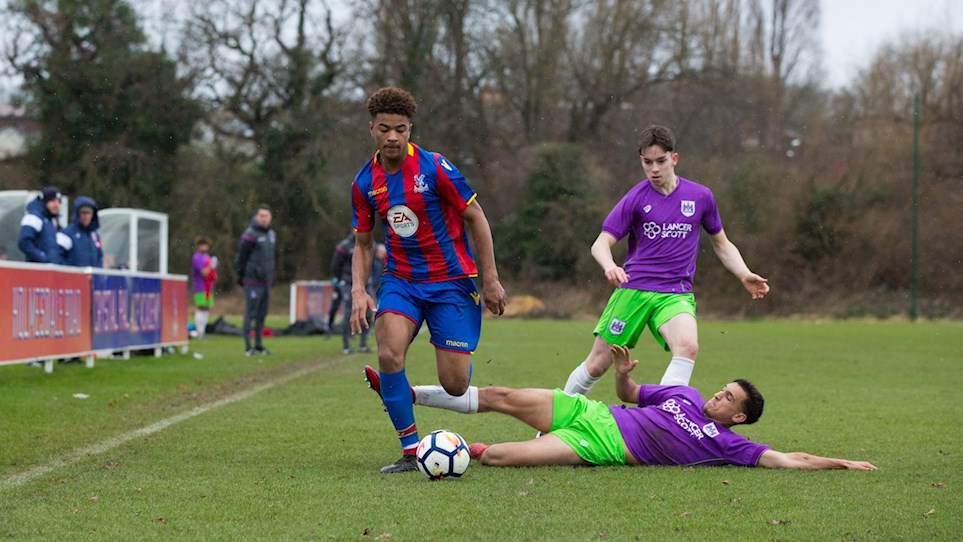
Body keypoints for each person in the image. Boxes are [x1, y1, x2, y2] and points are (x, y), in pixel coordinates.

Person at [371, 345, 876, 471]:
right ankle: (405, 393)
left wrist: (842, 462)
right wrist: (626, 374)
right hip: (590, 415)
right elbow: (630, 396)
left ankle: (458, 454)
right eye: (721, 389)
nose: (716, 396)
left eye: (728, 399)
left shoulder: (728, 445)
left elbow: (789, 461)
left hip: (600, 444)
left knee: (501, 456)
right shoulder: (682, 396)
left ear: (738, 417)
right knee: (502, 396)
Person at [351, 86, 507, 473]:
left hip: (452, 282)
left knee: (455, 383)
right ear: (372, 129)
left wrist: (490, 280)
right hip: (401, 280)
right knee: (388, 353)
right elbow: (364, 244)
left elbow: (478, 219)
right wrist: (358, 290)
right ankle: (409, 450)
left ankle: (413, 391)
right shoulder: (363, 183)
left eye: (400, 129)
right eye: (384, 128)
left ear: (409, 129)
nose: (392, 136)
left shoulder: (434, 167)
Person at [561, 125, 770, 398]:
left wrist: (744, 273)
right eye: (647, 163)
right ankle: (551, 423)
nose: (654, 169)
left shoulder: (700, 197)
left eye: (661, 161)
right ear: (641, 161)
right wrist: (610, 266)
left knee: (687, 347)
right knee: (598, 364)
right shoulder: (636, 198)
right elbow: (601, 243)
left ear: (674, 158)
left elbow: (721, 243)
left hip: (675, 292)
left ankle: (664, 419)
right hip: (634, 290)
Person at [235, 204, 276, 356]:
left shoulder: (271, 234)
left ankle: (259, 345)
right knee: (250, 313)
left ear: (270, 217)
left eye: (267, 216)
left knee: (261, 314)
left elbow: (270, 258)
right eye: (261, 216)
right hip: (252, 280)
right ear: (256, 217)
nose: (264, 219)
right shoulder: (249, 234)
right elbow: (241, 257)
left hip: (266, 281)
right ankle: (248, 347)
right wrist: (241, 276)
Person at [329, 233, 371, 354]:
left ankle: (363, 344)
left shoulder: (368, 243)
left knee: (367, 312)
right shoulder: (344, 246)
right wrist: (338, 278)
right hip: (348, 282)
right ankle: (346, 345)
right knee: (349, 312)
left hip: (364, 283)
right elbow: (336, 264)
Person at [18, 187, 65, 264]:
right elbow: (24, 242)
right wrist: (42, 258)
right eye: (53, 201)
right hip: (37, 269)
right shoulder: (34, 217)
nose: (56, 205)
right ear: (45, 201)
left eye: (59, 201)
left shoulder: (52, 221)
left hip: (51, 269)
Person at [58, 196, 103, 268]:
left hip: (91, 278)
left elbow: (99, 258)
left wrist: (98, 276)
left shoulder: (95, 236)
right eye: (83, 213)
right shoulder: (66, 234)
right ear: (77, 214)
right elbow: (58, 258)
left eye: (88, 213)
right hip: (73, 278)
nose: (86, 216)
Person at [191, 236, 218, 339]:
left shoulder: (207, 257)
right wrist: (211, 265)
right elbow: (204, 272)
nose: (204, 247)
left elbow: (211, 274)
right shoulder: (196, 257)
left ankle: (203, 330)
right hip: (200, 287)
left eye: (205, 245)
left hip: (208, 287)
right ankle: (199, 331)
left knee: (207, 308)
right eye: (202, 245)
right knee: (201, 307)